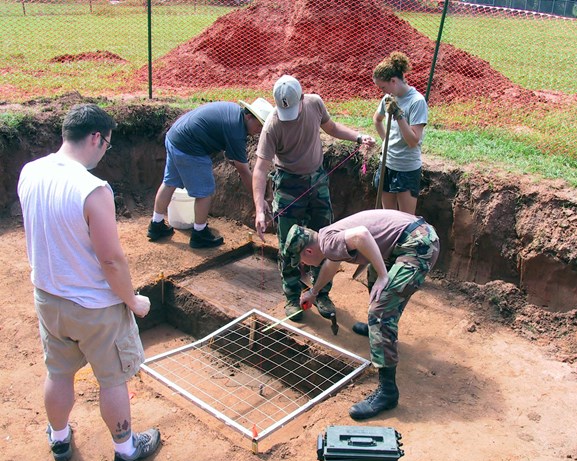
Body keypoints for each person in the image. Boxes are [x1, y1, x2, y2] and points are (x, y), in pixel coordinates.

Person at [17, 104, 161, 461]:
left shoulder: (30, 172)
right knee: (112, 379)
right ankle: (126, 449)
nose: (104, 151)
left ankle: (60, 436)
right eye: (107, 144)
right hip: (95, 307)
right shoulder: (93, 189)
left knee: (59, 372)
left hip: (48, 298)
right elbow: (111, 260)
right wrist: (132, 301)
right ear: (96, 137)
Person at [282, 209, 440, 420]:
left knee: (381, 309)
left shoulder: (328, 242)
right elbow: (332, 263)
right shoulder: (326, 238)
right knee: (374, 277)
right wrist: (313, 292)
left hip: (418, 246)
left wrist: (385, 275)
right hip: (411, 237)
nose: (304, 266)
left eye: (302, 261)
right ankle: (378, 331)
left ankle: (387, 392)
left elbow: (362, 235)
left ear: (308, 252)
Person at [253, 74, 375, 322]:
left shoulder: (315, 104)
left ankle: (321, 293)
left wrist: (358, 137)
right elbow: (261, 168)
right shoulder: (273, 125)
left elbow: (331, 127)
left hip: (318, 181)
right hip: (288, 186)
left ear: (302, 97)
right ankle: (291, 297)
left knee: (327, 240)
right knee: (290, 244)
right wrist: (258, 209)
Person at [148, 98, 274, 248]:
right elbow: (244, 171)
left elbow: (226, 147)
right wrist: (259, 201)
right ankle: (199, 234)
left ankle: (156, 226)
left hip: (175, 137)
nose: (259, 130)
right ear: (248, 116)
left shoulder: (233, 112)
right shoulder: (236, 132)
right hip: (190, 146)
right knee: (205, 192)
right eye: (259, 125)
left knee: (169, 182)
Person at [372, 52, 428, 215]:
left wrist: (399, 116)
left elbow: (413, 141)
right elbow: (377, 119)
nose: (382, 92)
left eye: (383, 87)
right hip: (387, 164)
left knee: (405, 221)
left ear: (394, 81)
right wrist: (386, 142)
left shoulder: (416, 102)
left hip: (406, 168)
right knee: (388, 219)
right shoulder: (388, 98)